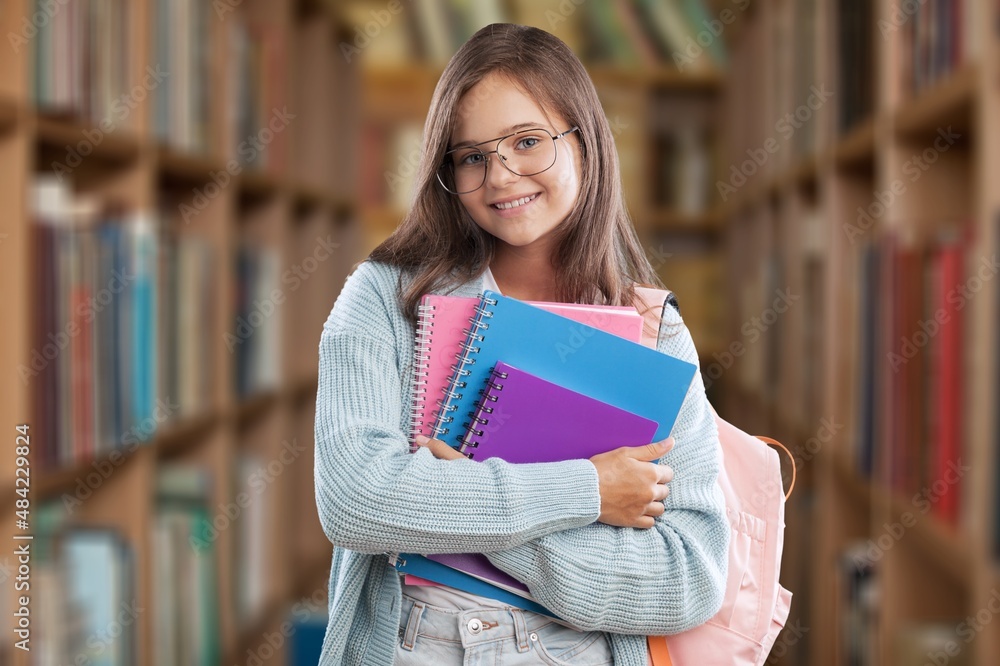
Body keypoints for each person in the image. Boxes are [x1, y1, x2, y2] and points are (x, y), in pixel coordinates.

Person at [314, 23, 728, 666]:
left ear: (586, 142)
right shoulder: (383, 297)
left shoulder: (655, 331)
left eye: (528, 142)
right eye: (472, 155)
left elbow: (687, 579)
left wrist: (475, 511)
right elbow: (356, 501)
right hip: (411, 645)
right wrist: (589, 491)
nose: (501, 177)